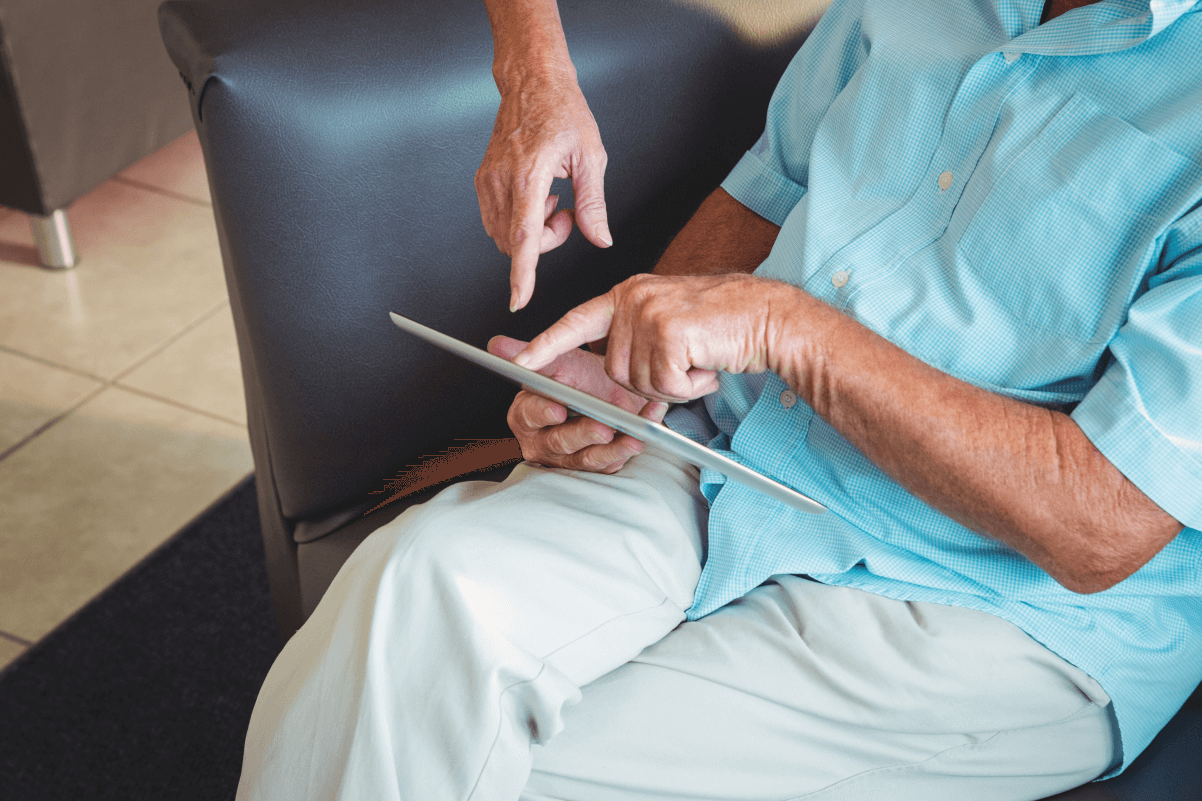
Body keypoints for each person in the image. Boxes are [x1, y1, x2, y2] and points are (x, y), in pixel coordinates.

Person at [236, 0, 1202, 799]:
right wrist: (627, 366)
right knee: (408, 592)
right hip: (733, 447)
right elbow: (769, 193)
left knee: (491, 767)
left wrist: (787, 329)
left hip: (987, 601)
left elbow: (1099, 525)